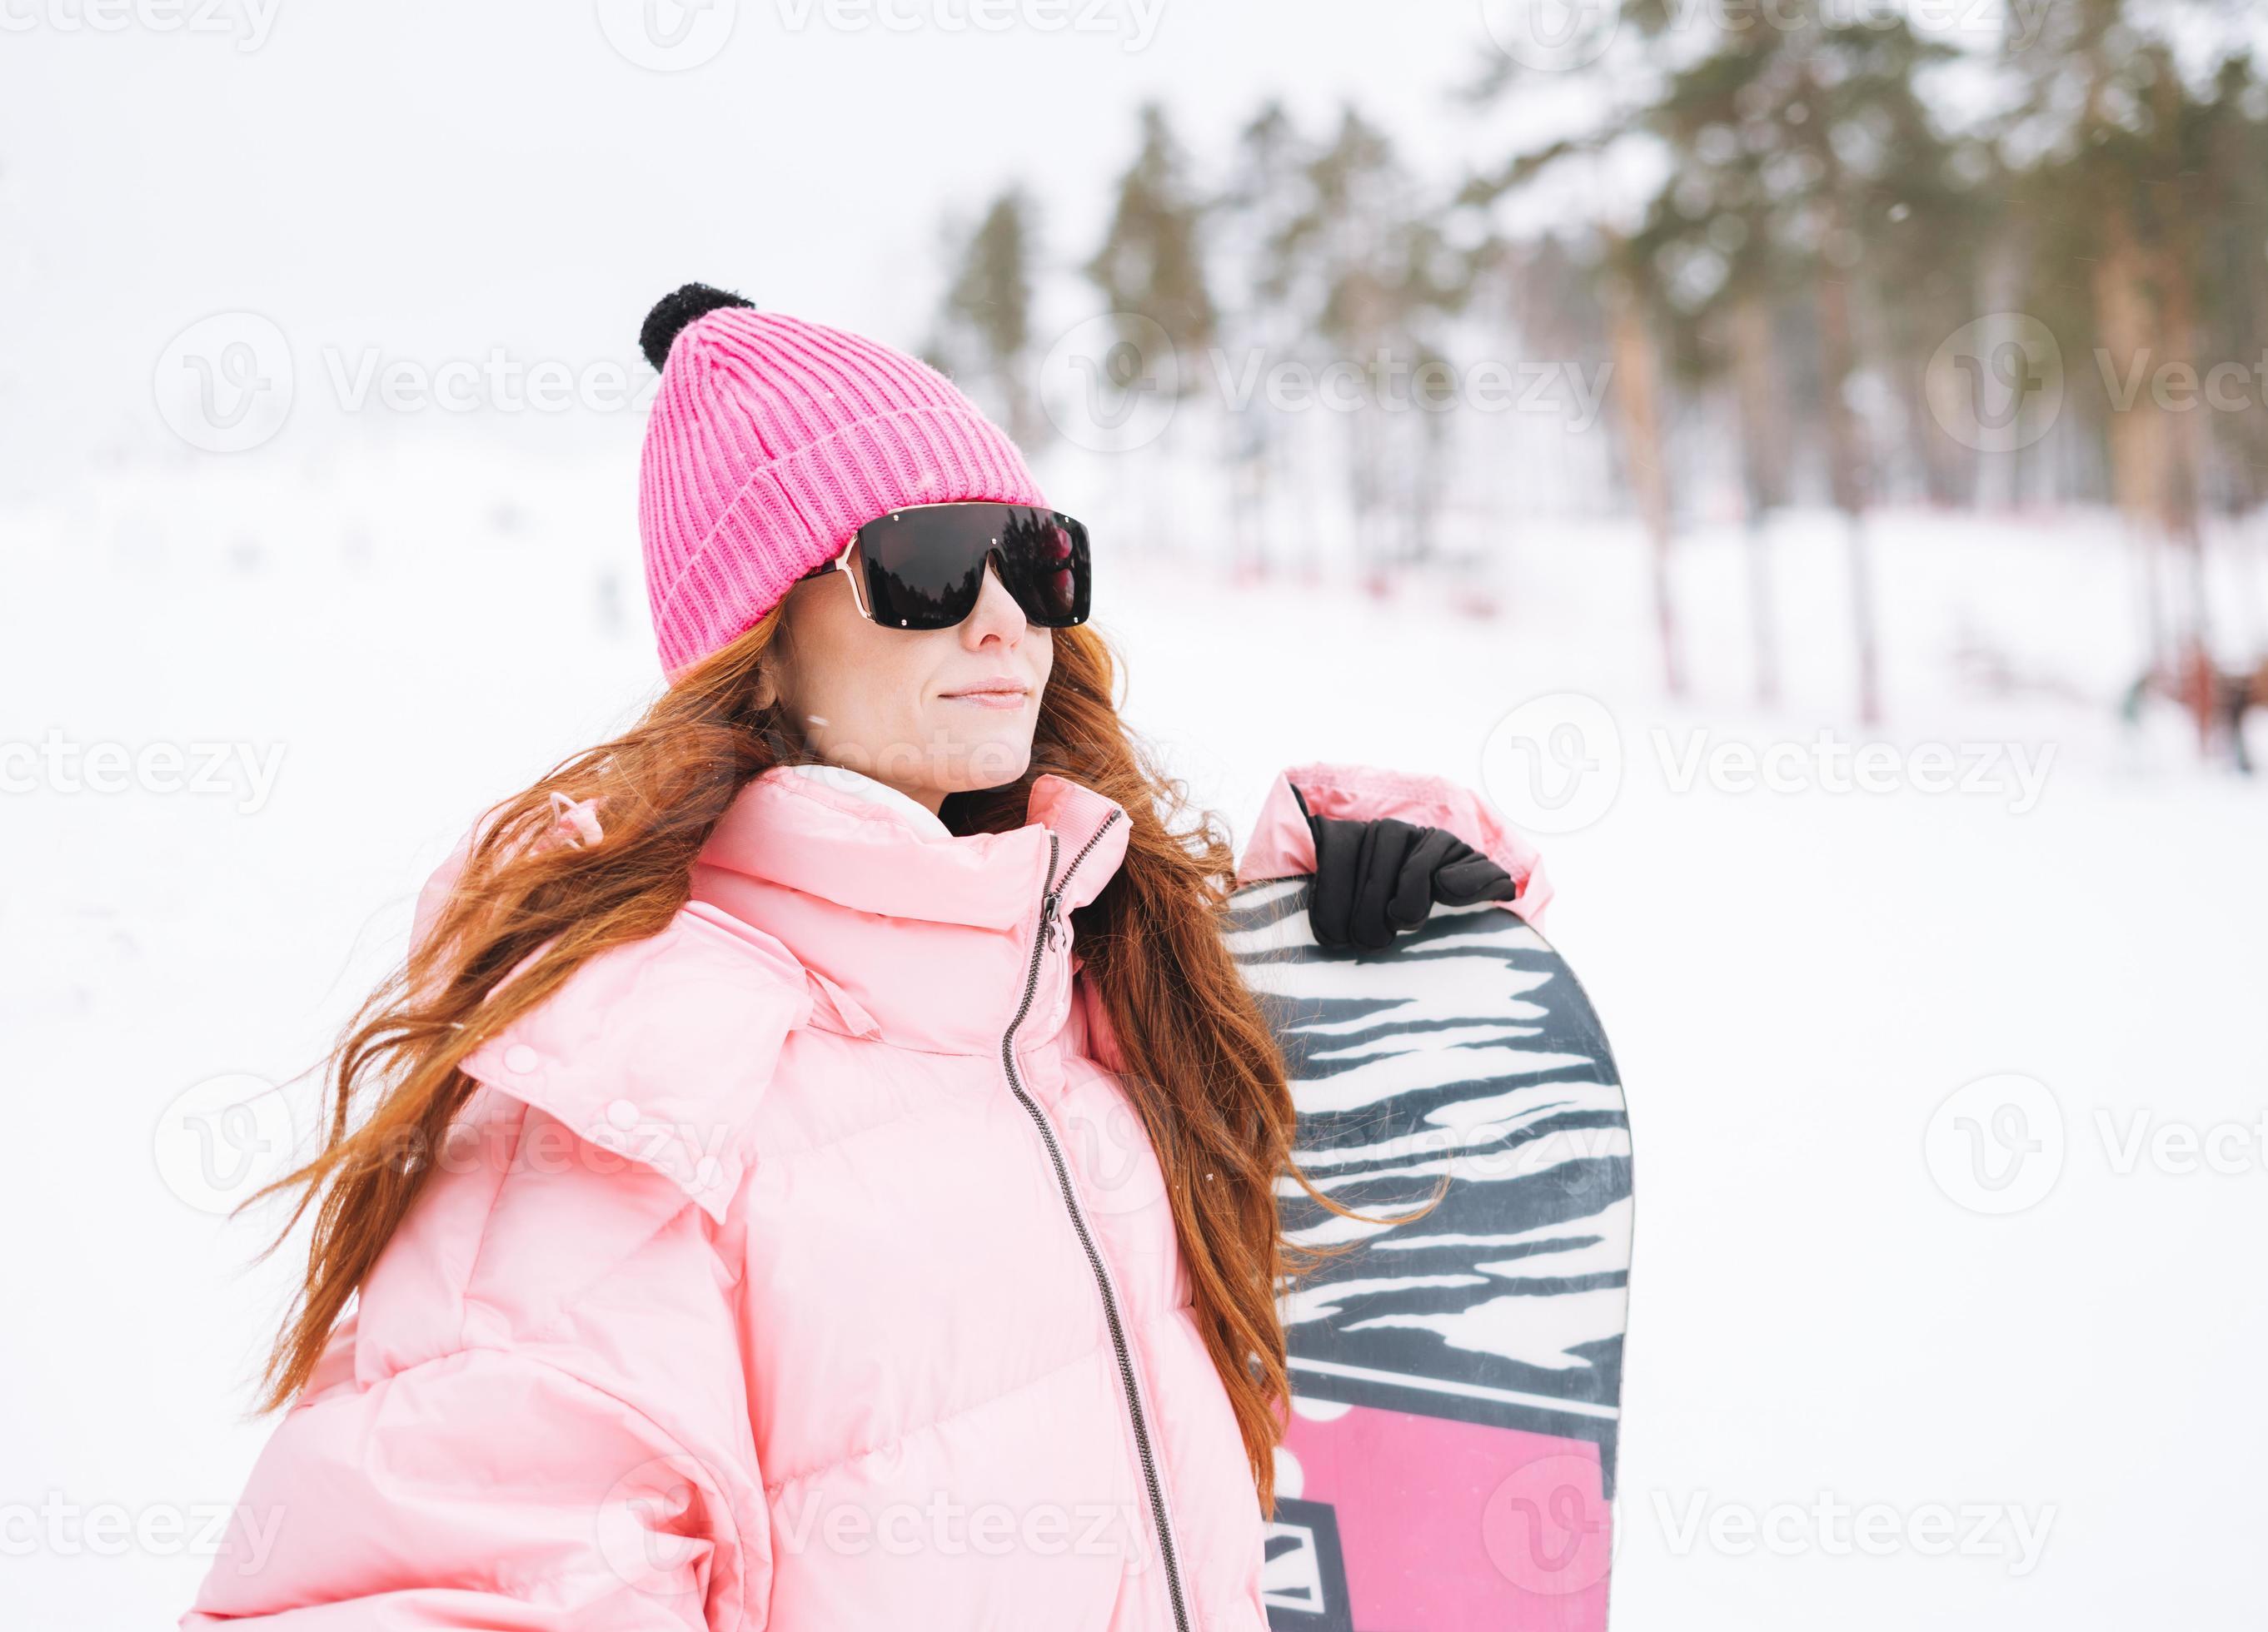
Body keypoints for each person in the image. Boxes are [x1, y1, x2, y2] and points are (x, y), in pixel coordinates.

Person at [182, 284, 1553, 1630]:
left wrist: (1383, 932)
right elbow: (460, 1570)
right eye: (930, 567)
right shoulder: (638, 1082)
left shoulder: (1092, 989)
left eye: (1035, 559)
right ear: (760, 653)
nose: (1006, 616)